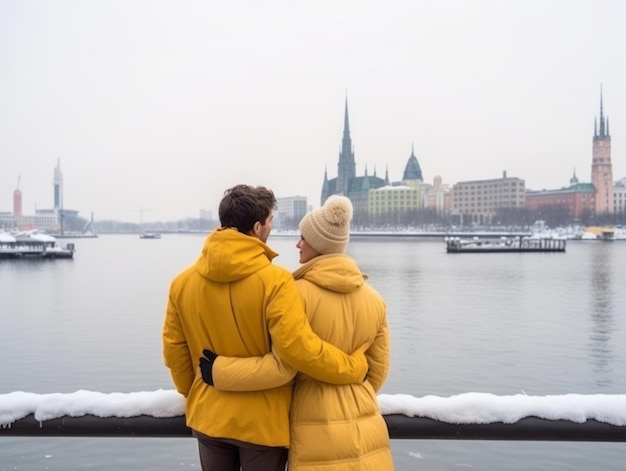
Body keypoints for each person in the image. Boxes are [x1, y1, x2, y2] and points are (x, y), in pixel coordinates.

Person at [162, 185, 369, 471]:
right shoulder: (277, 282)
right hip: (263, 426)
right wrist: (353, 368)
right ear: (258, 227)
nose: (271, 226)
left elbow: (175, 352)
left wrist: (198, 392)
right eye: (270, 221)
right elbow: (299, 353)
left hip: (208, 418)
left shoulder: (181, 283)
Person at [203, 194, 393, 470]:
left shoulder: (294, 293)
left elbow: (286, 363)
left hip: (313, 429)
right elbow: (377, 372)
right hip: (367, 429)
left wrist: (218, 371)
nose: (297, 244)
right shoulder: (375, 300)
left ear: (319, 244)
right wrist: (351, 391)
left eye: (304, 238)